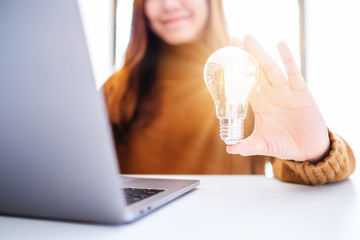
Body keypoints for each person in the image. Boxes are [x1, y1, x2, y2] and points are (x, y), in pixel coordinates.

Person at [103, 0, 355, 185]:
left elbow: (309, 171)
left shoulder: (249, 82)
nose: (169, 4)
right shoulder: (116, 92)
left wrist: (316, 152)